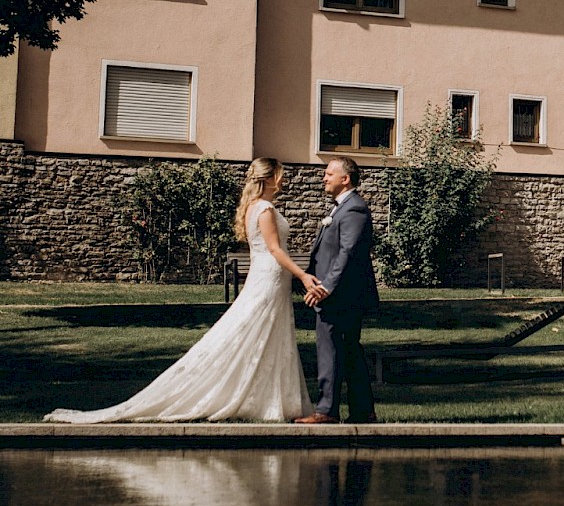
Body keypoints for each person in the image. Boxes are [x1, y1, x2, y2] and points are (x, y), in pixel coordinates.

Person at [45, 159, 320, 423]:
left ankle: (265, 396)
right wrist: (303, 275)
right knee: (254, 331)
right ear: (269, 177)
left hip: (266, 276)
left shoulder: (253, 207)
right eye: (281, 174)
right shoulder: (265, 210)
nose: (284, 179)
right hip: (269, 276)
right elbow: (274, 250)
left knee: (268, 333)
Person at [295, 156, 379, 425]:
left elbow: (348, 253)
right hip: (342, 294)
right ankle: (363, 411)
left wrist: (326, 287)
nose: (324, 177)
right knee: (350, 351)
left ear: (346, 179)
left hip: (342, 296)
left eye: (329, 173)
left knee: (331, 350)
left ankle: (327, 410)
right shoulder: (342, 208)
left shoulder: (354, 209)